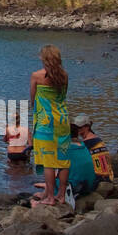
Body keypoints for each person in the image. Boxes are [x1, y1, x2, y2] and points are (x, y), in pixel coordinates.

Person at [29, 45, 71, 206]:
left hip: (45, 122)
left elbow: (33, 99)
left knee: (48, 161)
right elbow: (63, 96)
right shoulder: (65, 75)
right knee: (63, 159)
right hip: (62, 120)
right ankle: (60, 194)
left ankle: (50, 198)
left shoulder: (37, 76)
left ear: (43, 58)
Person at [70, 113, 115, 184]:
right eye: (76, 128)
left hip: (99, 178)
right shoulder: (97, 139)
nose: (77, 129)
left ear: (87, 127)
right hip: (109, 176)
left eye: (80, 127)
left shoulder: (86, 143)